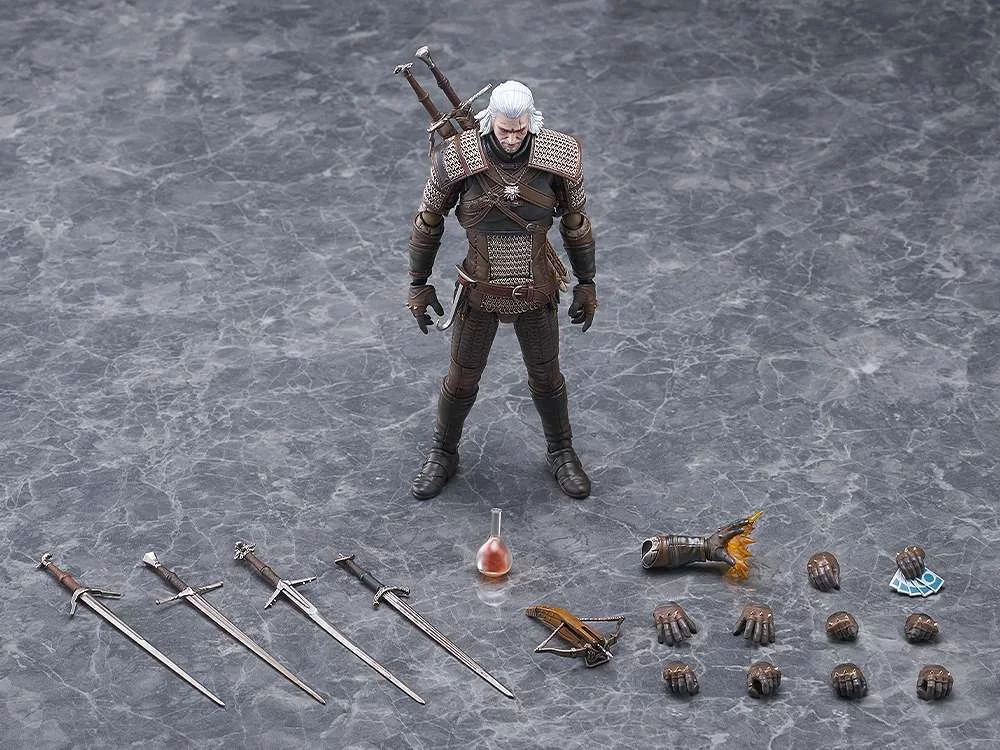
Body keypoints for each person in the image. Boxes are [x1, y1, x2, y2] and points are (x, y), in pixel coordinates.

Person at [406, 80, 598, 501]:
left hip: (536, 288)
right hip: (478, 290)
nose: (511, 138)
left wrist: (586, 283)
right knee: (461, 379)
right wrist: (418, 284)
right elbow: (428, 221)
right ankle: (443, 452)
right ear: (489, 120)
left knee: (546, 377)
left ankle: (561, 451)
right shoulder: (458, 157)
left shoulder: (559, 156)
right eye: (504, 130)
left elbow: (576, 224)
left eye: (519, 129)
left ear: (532, 122)